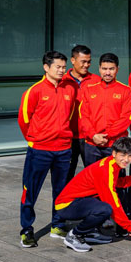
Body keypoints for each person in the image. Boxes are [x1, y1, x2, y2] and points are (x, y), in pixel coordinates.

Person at [17, 51, 76, 248]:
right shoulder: (34, 91)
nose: (61, 70)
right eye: (57, 67)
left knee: (61, 191)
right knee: (30, 190)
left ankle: (57, 225)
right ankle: (26, 230)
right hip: (40, 150)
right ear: (46, 67)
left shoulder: (70, 89)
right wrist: (36, 140)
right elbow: (24, 119)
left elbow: (70, 115)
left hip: (63, 150)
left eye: (63, 67)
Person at [54, 137, 131, 252]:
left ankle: (89, 233)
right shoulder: (105, 170)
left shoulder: (112, 163)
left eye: (130, 156)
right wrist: (129, 227)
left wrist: (130, 179)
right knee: (105, 209)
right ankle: (74, 235)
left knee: (103, 205)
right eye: (123, 155)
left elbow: (114, 183)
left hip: (78, 201)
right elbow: (113, 202)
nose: (126, 159)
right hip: (66, 205)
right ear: (114, 153)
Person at [78, 53, 131, 166]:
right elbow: (83, 116)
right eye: (104, 69)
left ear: (117, 69)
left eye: (111, 69)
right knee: (92, 180)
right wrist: (93, 135)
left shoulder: (126, 91)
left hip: (115, 144)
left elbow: (126, 118)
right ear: (99, 69)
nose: (107, 73)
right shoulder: (89, 90)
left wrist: (107, 135)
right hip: (92, 143)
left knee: (115, 179)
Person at [63, 45, 97, 184]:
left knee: (93, 175)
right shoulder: (62, 81)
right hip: (69, 136)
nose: (86, 65)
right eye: (83, 61)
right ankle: (64, 205)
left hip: (89, 136)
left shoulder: (96, 80)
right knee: (66, 175)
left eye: (89, 61)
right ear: (73, 60)